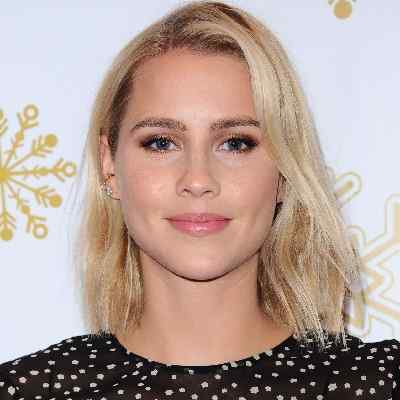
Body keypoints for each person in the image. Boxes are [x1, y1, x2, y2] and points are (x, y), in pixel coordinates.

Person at [1, 1, 399, 399]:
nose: (197, 180)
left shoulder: (379, 384)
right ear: (109, 165)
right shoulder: (28, 390)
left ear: (284, 171)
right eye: (161, 143)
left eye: (236, 143)